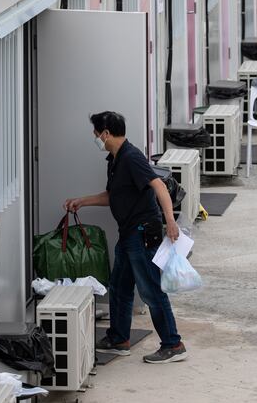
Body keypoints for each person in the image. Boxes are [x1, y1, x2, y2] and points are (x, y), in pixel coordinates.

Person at [64, 111, 188, 364]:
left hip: (142, 233)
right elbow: (113, 196)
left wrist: (171, 222)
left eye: (96, 133)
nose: (95, 138)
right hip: (129, 233)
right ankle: (119, 338)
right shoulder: (115, 159)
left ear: (106, 133)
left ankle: (172, 344)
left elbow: (159, 186)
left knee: (151, 290)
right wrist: (82, 201)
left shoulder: (132, 157)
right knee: (119, 287)